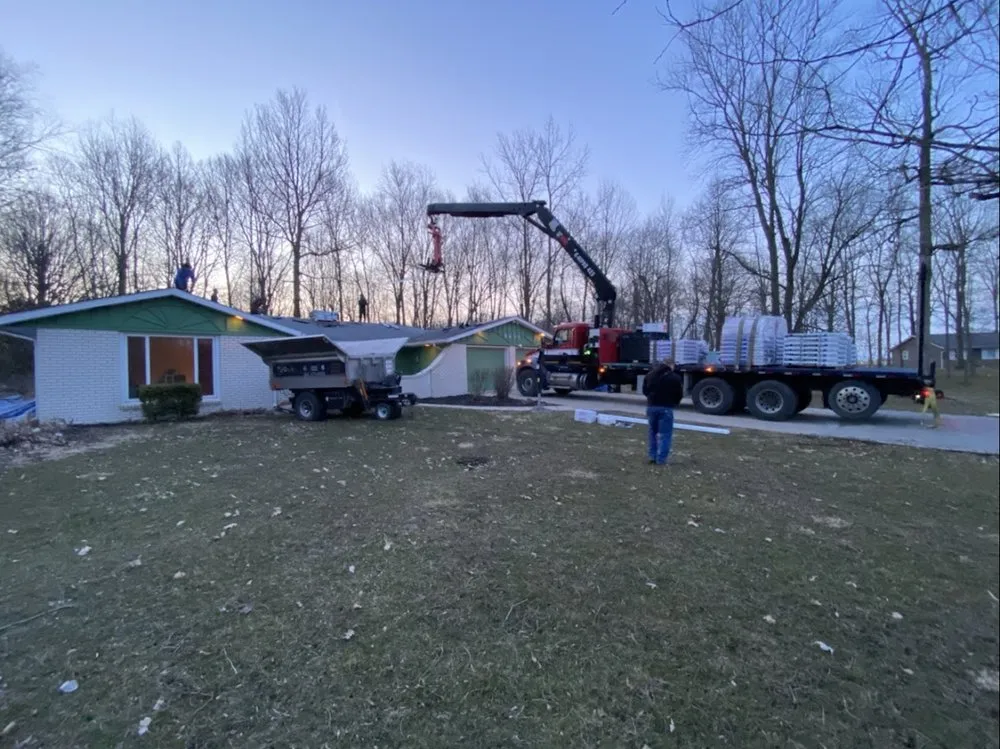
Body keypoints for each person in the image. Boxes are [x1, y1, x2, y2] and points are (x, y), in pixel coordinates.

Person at [642, 359, 683, 465]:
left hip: (651, 407)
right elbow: (679, 394)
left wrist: (651, 399)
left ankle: (652, 456)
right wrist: (674, 402)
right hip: (666, 408)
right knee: (665, 435)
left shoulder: (650, 375)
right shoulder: (675, 378)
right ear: (671, 365)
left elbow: (645, 391)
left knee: (652, 433)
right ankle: (661, 460)